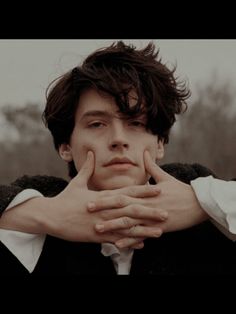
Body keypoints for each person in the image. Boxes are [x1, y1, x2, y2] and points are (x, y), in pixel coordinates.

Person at [0, 41, 235, 275]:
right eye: (97, 124)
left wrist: (204, 202)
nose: (118, 139)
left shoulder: (213, 213)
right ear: (65, 146)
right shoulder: (32, 221)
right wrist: (44, 215)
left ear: (160, 143)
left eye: (135, 123)